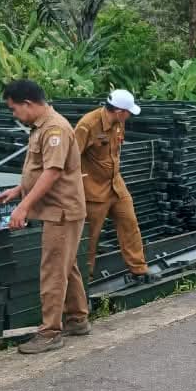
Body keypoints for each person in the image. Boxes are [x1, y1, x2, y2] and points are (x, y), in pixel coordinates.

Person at [0, 80, 89, 354]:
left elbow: (53, 172)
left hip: (61, 211)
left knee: (53, 270)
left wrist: (23, 207)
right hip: (58, 209)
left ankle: (50, 333)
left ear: (27, 104)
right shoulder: (41, 127)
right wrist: (18, 190)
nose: (14, 114)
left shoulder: (55, 129)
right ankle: (77, 319)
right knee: (66, 265)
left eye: (14, 109)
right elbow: (39, 169)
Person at [74, 90, 153, 284]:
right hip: (93, 189)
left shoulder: (119, 122)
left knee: (130, 224)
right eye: (128, 112)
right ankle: (84, 280)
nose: (130, 115)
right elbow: (71, 158)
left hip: (116, 185)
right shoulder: (87, 125)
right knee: (90, 237)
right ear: (119, 111)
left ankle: (139, 270)